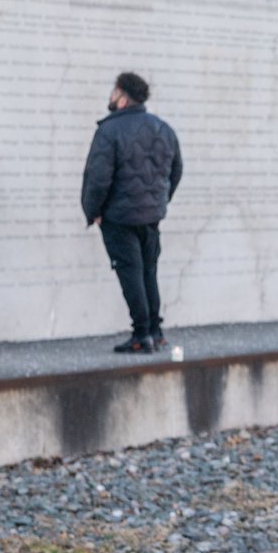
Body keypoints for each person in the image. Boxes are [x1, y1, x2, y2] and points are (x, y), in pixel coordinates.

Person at [81, 73, 183, 354]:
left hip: (119, 218)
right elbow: (176, 170)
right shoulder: (163, 129)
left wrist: (94, 211)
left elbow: (97, 178)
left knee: (131, 274)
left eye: (114, 92)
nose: (111, 96)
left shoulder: (109, 131)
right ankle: (156, 332)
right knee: (149, 272)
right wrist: (159, 201)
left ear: (123, 98)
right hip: (151, 217)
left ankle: (141, 335)